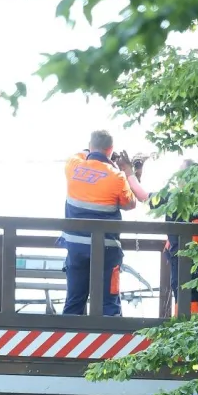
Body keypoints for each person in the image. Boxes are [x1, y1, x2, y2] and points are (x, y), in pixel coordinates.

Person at [61, 130, 148, 316]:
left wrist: (104, 158)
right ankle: (111, 330)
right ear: (111, 149)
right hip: (107, 249)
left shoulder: (73, 166)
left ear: (90, 145)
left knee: (74, 300)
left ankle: (68, 331)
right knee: (109, 302)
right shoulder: (117, 177)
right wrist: (127, 171)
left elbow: (83, 153)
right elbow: (130, 203)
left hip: (76, 246)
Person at [147, 159, 198, 316]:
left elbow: (143, 196)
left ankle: (189, 328)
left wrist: (130, 173)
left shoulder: (173, 198)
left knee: (187, 310)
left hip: (184, 267)